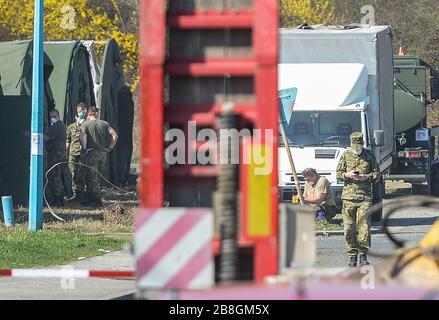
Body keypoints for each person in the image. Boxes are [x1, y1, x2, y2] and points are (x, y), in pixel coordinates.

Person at [336, 132, 380, 267]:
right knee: (349, 228)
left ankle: (363, 255)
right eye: (355, 146)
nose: (357, 149)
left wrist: (367, 177)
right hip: (348, 197)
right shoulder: (345, 155)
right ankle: (352, 255)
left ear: (362, 144)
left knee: (364, 227)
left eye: (359, 146)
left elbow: (377, 174)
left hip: (365, 197)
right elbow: (338, 174)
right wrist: (346, 175)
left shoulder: (369, 155)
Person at [79, 106, 118, 207]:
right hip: (103, 154)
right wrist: (110, 148)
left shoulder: (86, 124)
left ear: (89, 114)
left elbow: (81, 136)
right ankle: (91, 197)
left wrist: (84, 148)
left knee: (92, 178)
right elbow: (115, 135)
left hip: (92, 154)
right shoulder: (104, 123)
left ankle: (96, 200)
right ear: (96, 113)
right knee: (97, 177)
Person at [65, 103, 88, 202]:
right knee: (73, 174)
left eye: (82, 110)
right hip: (73, 154)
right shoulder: (70, 127)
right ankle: (74, 194)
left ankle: (81, 194)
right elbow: (68, 141)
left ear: (85, 111)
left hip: (83, 154)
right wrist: (65, 152)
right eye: (79, 111)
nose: (80, 113)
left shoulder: (87, 125)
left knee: (82, 175)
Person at [45, 108, 67, 207]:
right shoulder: (60, 125)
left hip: (56, 154)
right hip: (58, 153)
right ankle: (60, 198)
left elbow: (47, 138)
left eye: (54, 116)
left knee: (55, 176)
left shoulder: (57, 126)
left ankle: (57, 199)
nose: (52, 118)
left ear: (58, 116)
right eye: (50, 117)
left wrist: (35, 136)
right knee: (57, 176)